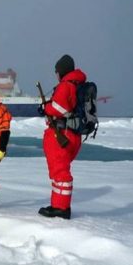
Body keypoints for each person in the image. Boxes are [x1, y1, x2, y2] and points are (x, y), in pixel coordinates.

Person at [37, 54, 87, 219]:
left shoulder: (66, 86)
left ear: (61, 71)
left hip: (61, 135)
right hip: (73, 135)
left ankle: (61, 208)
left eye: (57, 71)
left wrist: (45, 108)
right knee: (60, 171)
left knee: (60, 172)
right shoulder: (78, 84)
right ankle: (57, 205)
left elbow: (59, 108)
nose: (56, 75)